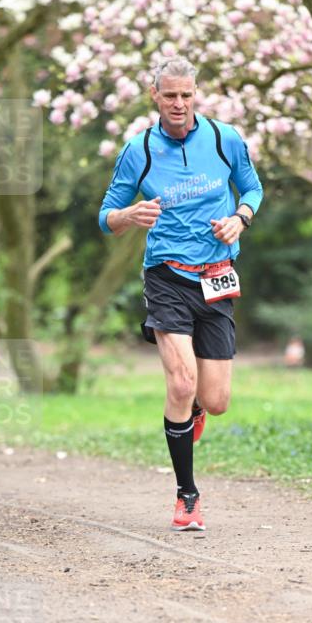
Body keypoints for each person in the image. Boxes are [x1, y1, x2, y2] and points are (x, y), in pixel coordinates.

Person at [98, 57, 263, 532]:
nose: (178, 104)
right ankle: (187, 496)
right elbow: (106, 216)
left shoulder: (224, 139)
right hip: (166, 277)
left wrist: (241, 219)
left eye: (186, 95)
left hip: (216, 276)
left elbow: (252, 189)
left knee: (216, 400)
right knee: (181, 382)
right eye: (169, 95)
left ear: (196, 94)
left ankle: (194, 411)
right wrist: (129, 216)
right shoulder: (139, 151)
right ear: (154, 95)